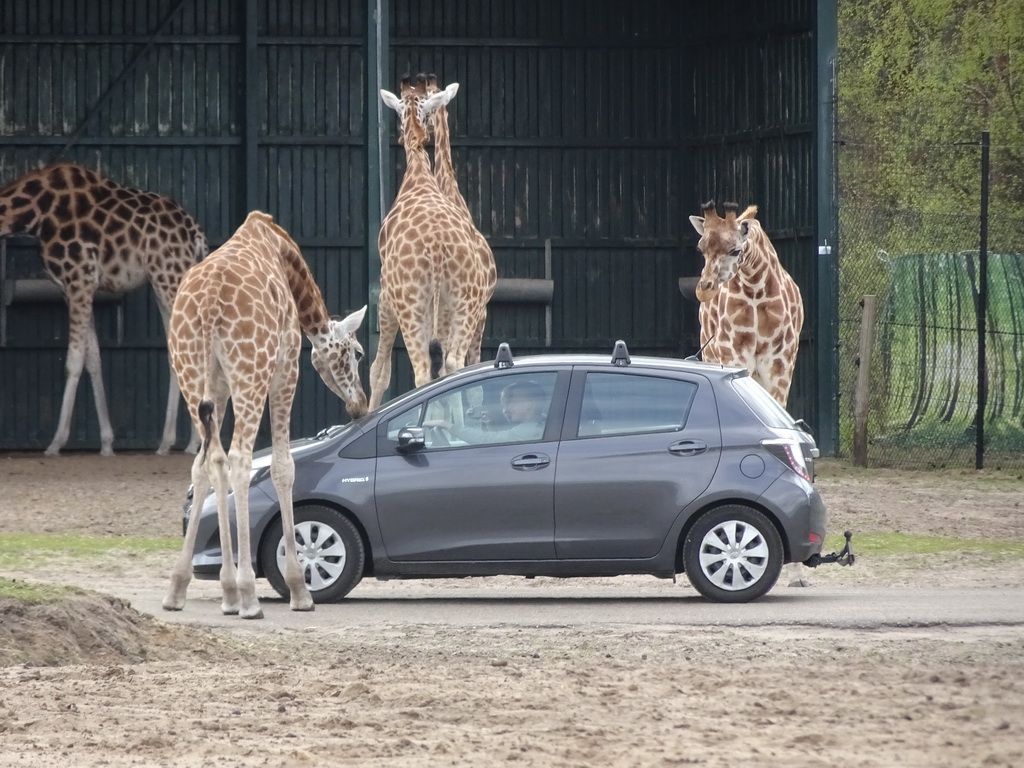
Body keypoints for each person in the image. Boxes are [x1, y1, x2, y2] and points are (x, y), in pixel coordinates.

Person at [430, 380, 547, 444]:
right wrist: (491, 424)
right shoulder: (543, 422)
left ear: (529, 404)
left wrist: (447, 425)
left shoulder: (531, 430)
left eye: (511, 402)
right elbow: (500, 444)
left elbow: (485, 439)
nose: (505, 409)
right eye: (503, 405)